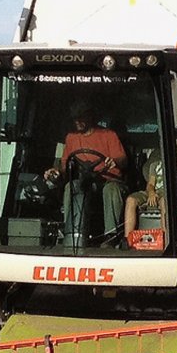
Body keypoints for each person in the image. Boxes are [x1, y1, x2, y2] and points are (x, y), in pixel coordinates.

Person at [44, 102, 127, 246]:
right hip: (85, 182)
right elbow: (64, 166)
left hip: (108, 180)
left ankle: (111, 237)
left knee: (111, 190)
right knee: (72, 186)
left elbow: (123, 159)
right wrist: (56, 172)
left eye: (81, 118)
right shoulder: (71, 138)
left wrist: (114, 161)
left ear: (90, 117)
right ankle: (70, 232)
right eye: (75, 118)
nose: (77, 122)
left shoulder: (109, 135)